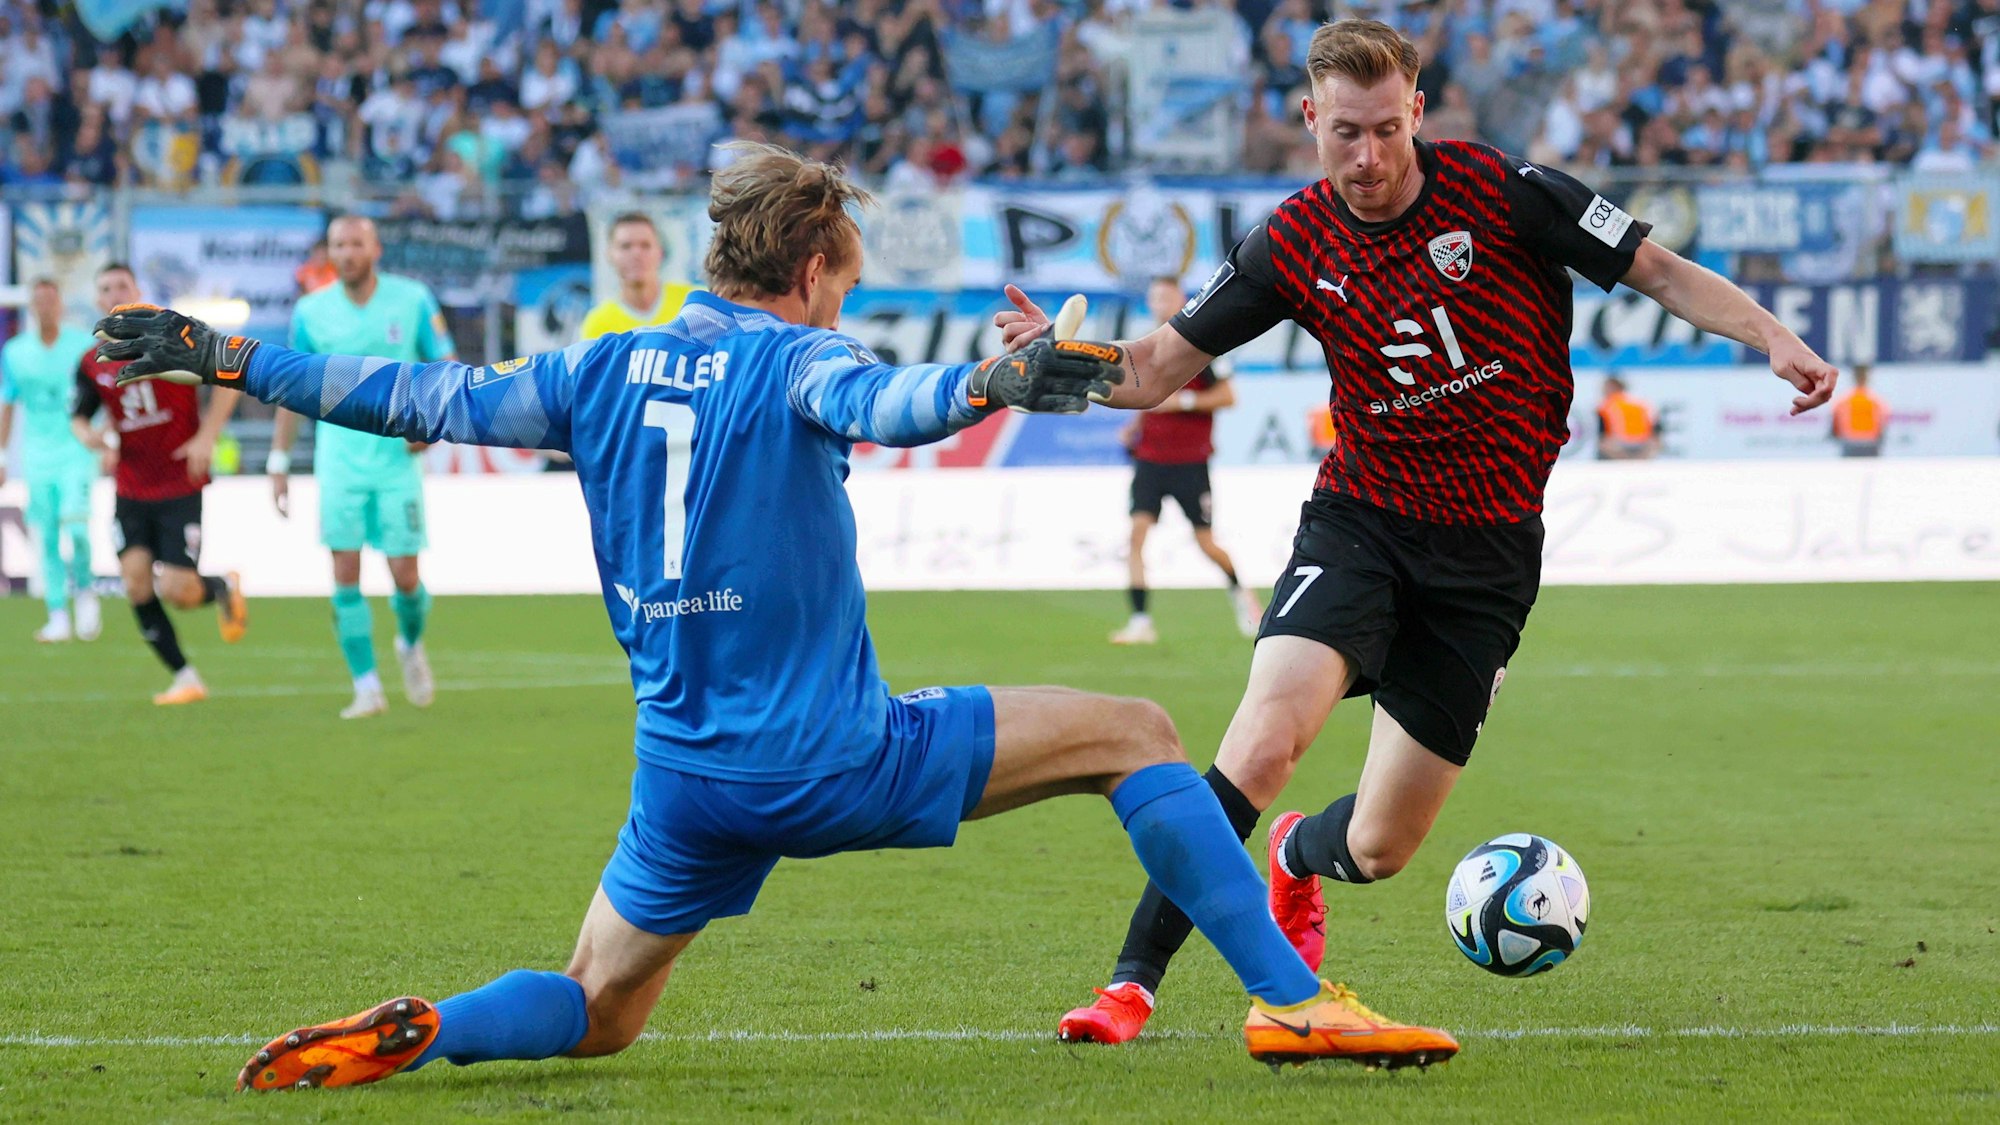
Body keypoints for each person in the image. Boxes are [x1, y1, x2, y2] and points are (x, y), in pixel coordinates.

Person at [96, 142, 1426, 1091]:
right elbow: (887, 408)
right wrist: (997, 379)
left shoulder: (592, 366)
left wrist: (226, 352)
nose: (844, 300)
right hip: (837, 756)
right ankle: (1296, 1000)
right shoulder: (805, 358)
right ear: (808, 262)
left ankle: (431, 1027)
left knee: (600, 1015)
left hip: (684, 782)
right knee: (1136, 729)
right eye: (842, 278)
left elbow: (410, 395)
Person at [997, 19, 1838, 1051]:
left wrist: (1772, 335)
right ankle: (1128, 988)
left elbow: (1658, 271)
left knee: (1384, 846)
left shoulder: (1508, 193)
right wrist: (1060, 360)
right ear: (1308, 118)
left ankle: (1297, 856)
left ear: (1417, 112)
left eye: (1385, 130)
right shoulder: (1292, 242)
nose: (1366, 158)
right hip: (1362, 524)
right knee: (1261, 740)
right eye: (1343, 132)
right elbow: (1157, 367)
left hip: (1486, 558)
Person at [272, 216, 454, 719]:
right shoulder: (311, 312)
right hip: (340, 463)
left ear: (374, 248)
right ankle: (367, 685)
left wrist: (431, 426)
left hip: (396, 461)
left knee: (406, 575)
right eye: (338, 245)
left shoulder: (412, 299)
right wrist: (279, 461)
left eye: (356, 243)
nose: (347, 252)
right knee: (345, 571)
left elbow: (445, 363)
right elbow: (290, 389)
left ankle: (410, 644)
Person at [70, 263, 248, 704]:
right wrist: (94, 439)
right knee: (135, 583)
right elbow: (79, 416)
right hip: (131, 486)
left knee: (179, 592)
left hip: (179, 483)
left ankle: (220, 586)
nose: (113, 294)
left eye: (121, 287)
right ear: (97, 301)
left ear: (138, 293)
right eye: (105, 288)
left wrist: (207, 436)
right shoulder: (92, 363)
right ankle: (186, 677)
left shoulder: (174, 339)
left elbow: (229, 379)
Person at [1111, 275, 1261, 645]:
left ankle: (1243, 597)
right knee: (1136, 535)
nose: (1158, 303)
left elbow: (1228, 397)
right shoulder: (1150, 346)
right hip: (1150, 458)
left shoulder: (1200, 344)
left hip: (1190, 461)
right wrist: (1135, 425)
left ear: (1180, 298)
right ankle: (1141, 621)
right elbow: (1149, 396)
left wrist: (1182, 402)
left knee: (1206, 542)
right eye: (1153, 297)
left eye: (1164, 296)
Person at [0, 278, 102, 642]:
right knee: (45, 538)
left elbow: (102, 391)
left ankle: (87, 591)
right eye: (38, 300)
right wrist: (1, 456)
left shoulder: (83, 346)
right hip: (37, 455)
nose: (45, 307)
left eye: (51, 300)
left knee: (76, 530)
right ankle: (57, 613)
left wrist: (105, 438)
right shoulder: (15, 352)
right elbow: (8, 402)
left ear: (60, 305)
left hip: (75, 449)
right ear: (32, 306)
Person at [577, 211, 699, 340]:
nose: (636, 254)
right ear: (609, 254)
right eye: (626, 246)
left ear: (660, 252)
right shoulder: (598, 324)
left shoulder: (694, 304)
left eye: (645, 245)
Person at [1594, 374, 1660, 460]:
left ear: (1613, 387)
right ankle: (1637, 462)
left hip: (1618, 447)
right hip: (1643, 446)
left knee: (1603, 444)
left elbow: (1602, 434)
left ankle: (1626, 462)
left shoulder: (1607, 405)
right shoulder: (1642, 403)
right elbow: (1656, 429)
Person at [1830, 364, 1885, 457]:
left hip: (1851, 444)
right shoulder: (1876, 401)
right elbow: (1881, 428)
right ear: (1867, 378)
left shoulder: (1843, 400)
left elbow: (1834, 428)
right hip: (1870, 444)